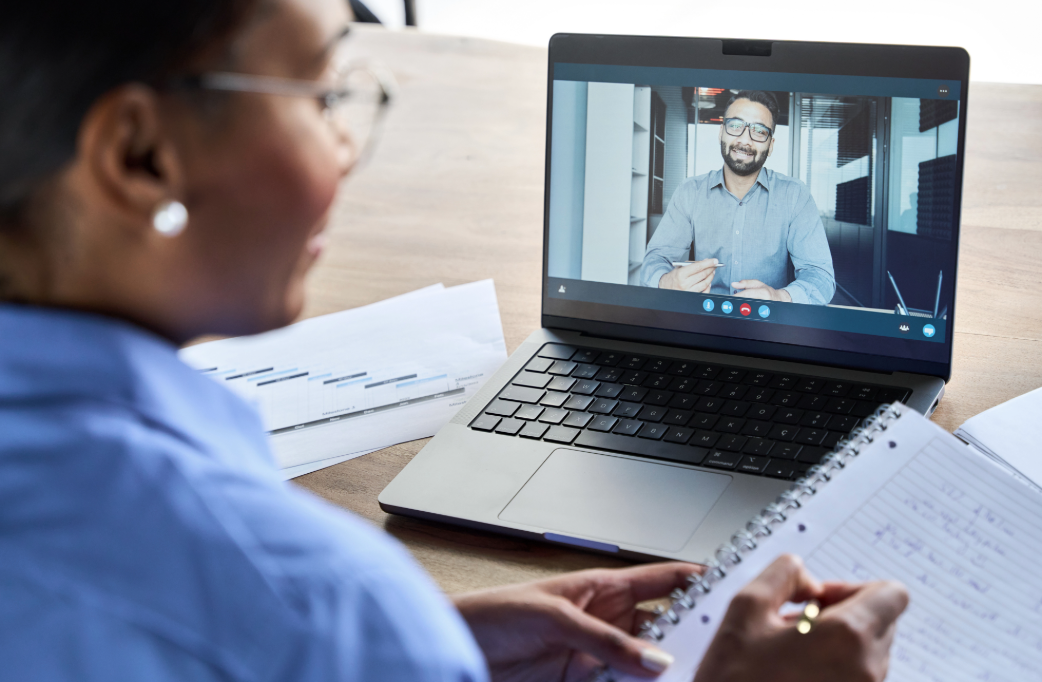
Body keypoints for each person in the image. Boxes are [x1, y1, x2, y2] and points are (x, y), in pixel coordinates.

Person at [0, 1, 908, 680]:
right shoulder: (322, 603)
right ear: (139, 156)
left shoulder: (323, 615)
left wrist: (429, 648)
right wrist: (387, 642)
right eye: (322, 91)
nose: (347, 144)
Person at [641, 90, 837, 305]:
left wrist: (779, 296)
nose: (745, 139)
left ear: (770, 145)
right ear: (721, 133)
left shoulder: (795, 195)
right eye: (735, 126)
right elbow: (656, 258)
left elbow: (820, 276)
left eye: (759, 131)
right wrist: (666, 281)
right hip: (701, 321)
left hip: (767, 325)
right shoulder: (690, 192)